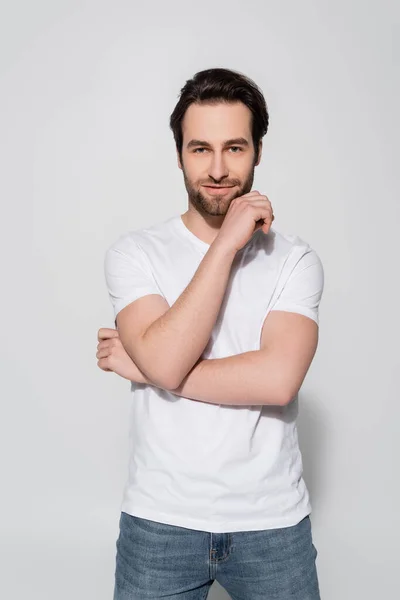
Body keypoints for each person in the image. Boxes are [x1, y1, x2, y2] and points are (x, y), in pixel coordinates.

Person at [97, 67, 324, 599]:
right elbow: (168, 361)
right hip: (159, 521)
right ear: (178, 154)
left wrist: (147, 366)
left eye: (235, 148)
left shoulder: (295, 259)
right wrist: (225, 247)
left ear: (258, 152)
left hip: (273, 524)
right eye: (200, 149)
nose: (218, 169)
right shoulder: (135, 254)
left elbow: (277, 381)